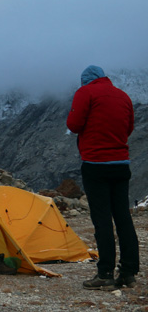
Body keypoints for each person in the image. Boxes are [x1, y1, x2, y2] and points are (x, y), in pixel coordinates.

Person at [66, 65, 139, 290]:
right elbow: (129, 128)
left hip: (96, 165)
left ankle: (105, 273)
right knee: (123, 217)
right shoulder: (123, 96)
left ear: (86, 80)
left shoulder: (85, 93)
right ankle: (128, 272)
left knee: (102, 219)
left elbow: (74, 124)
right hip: (121, 164)